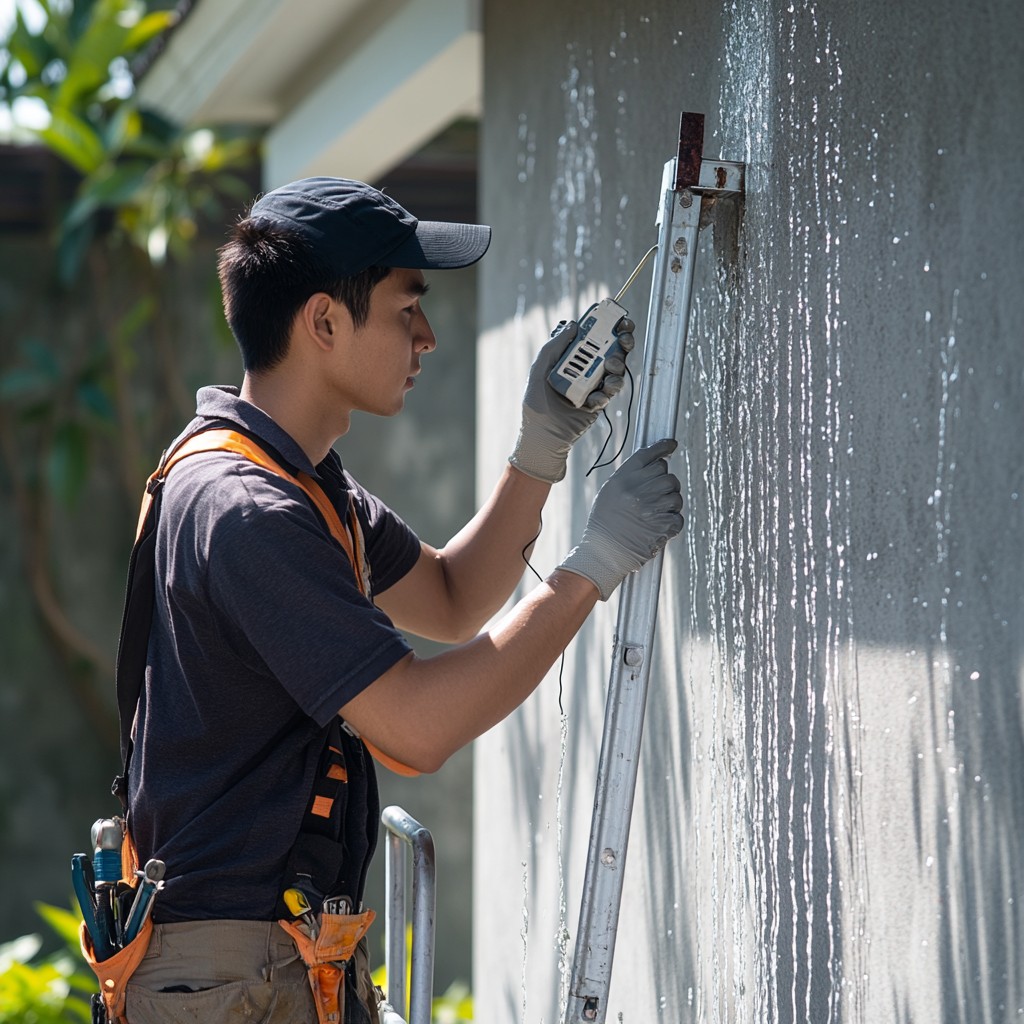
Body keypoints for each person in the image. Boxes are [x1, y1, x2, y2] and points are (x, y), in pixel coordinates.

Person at [121, 177, 683, 1023]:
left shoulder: (304, 486)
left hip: (270, 961)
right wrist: (592, 568)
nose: (426, 335)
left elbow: (454, 597)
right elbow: (417, 730)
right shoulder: (246, 510)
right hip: (231, 976)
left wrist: (541, 445)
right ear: (322, 322)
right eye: (404, 308)